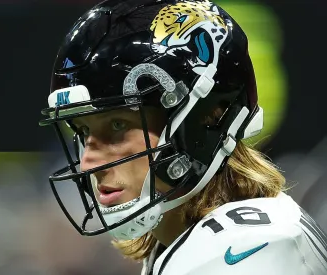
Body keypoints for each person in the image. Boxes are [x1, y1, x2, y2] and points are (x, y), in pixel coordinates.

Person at [38, 0, 327, 274]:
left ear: (206, 119)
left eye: (117, 125)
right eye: (85, 130)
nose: (88, 163)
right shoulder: (194, 240)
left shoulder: (247, 250)